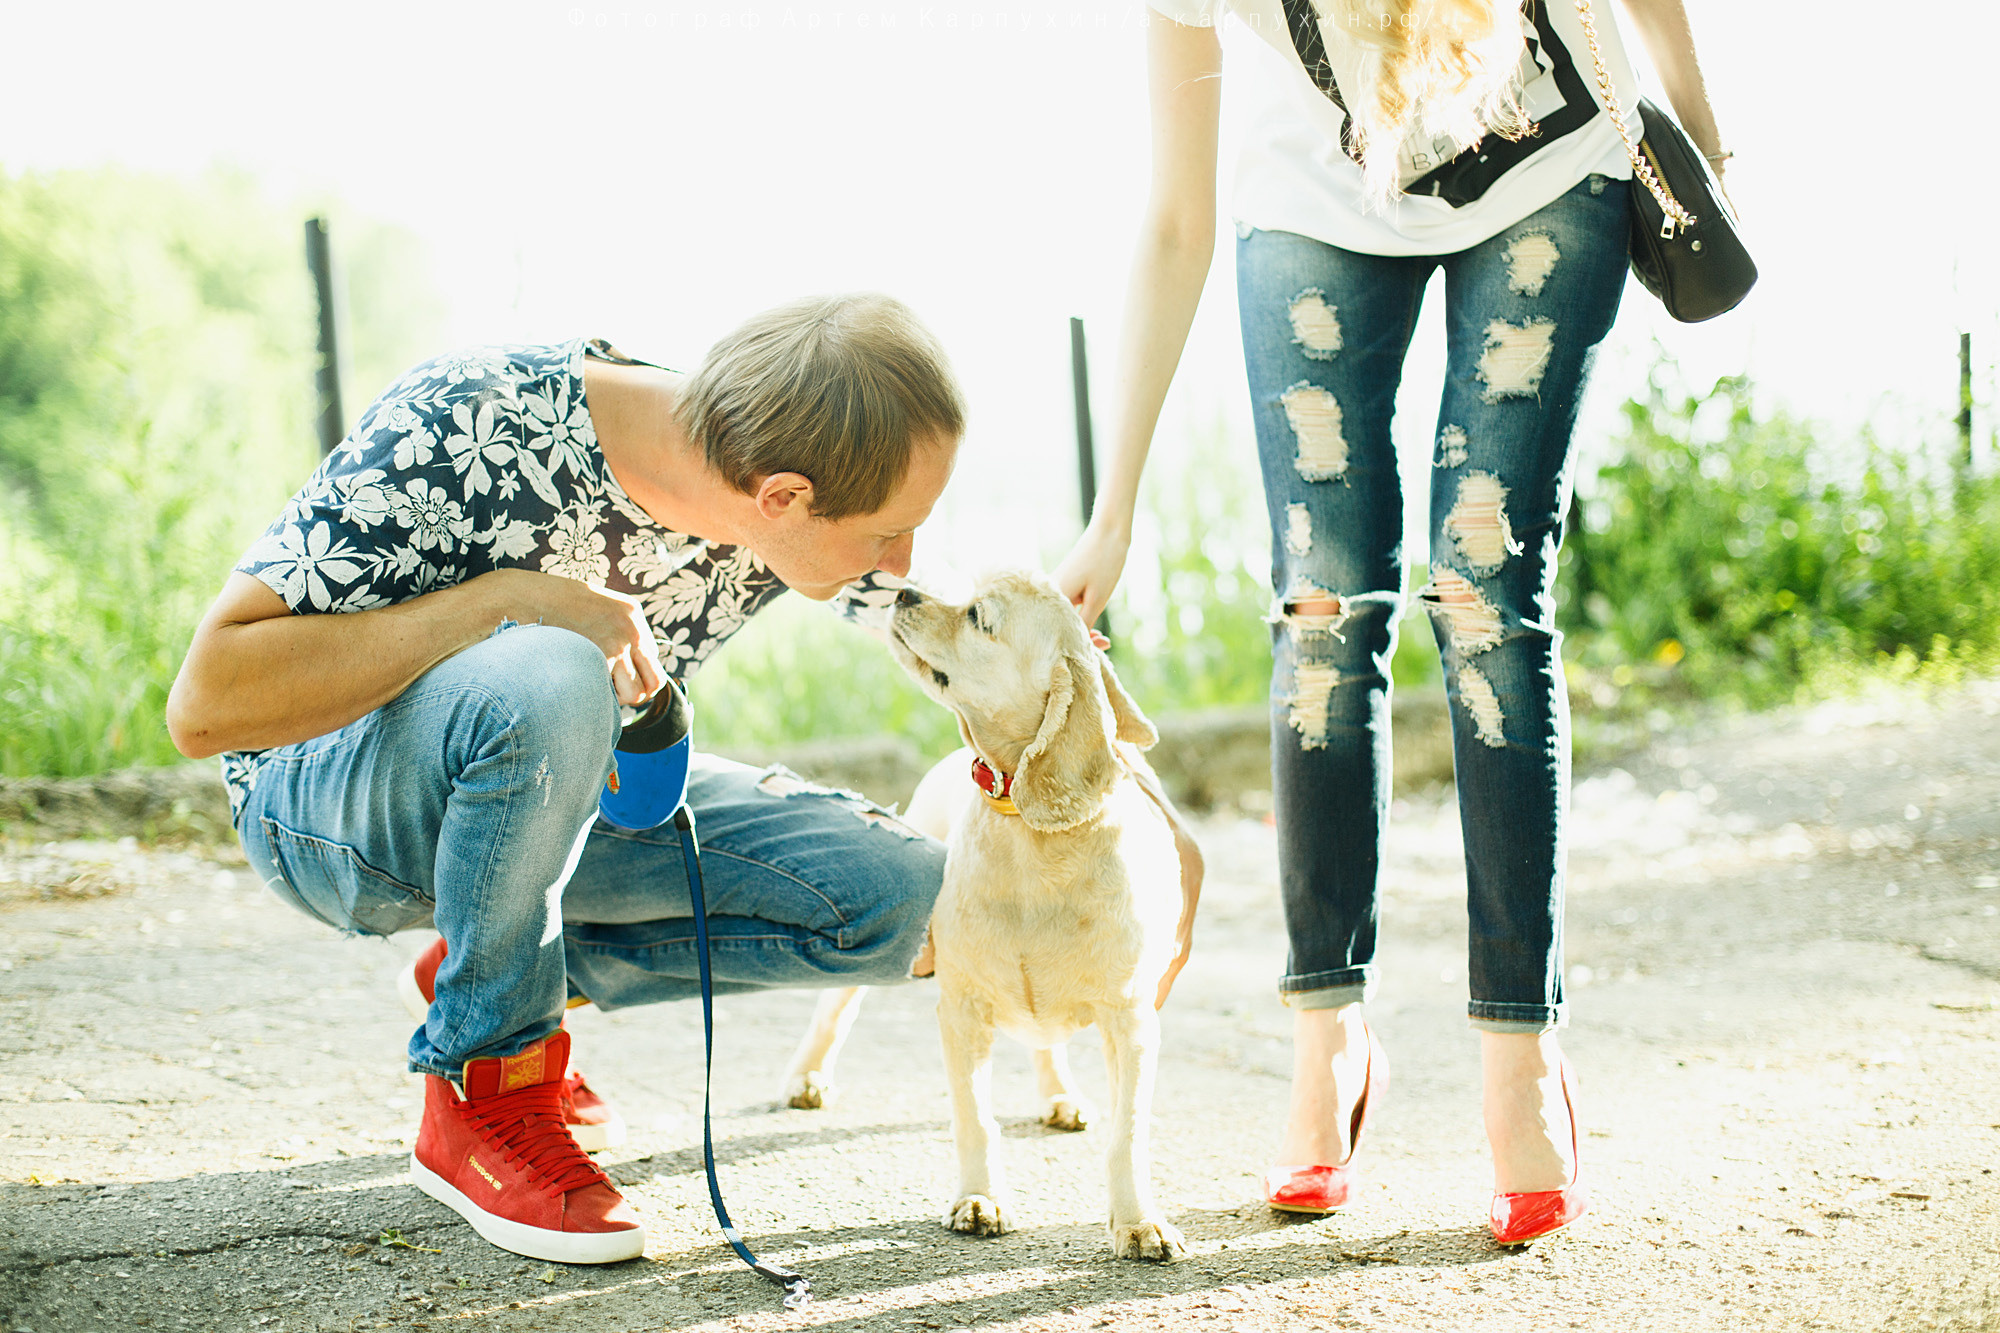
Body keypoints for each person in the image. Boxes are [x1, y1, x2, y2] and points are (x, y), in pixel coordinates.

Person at [1055, 0, 1729, 1243]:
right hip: (1314, 203)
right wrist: (1115, 506)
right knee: (1317, 611)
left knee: (1482, 596)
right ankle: (1324, 1038)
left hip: (1545, 152)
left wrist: (1694, 120)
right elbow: (1171, 217)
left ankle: (1519, 1049)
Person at [167, 294, 965, 1265]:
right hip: (324, 804)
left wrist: (1081, 712)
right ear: (784, 499)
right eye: (889, 533)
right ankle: (485, 1068)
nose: (900, 559)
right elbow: (205, 706)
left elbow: (942, 625)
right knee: (550, 670)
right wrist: (509, 604)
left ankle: (499, 958)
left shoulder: (772, 481)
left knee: (916, 904)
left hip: (555, 808)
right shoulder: (473, 417)